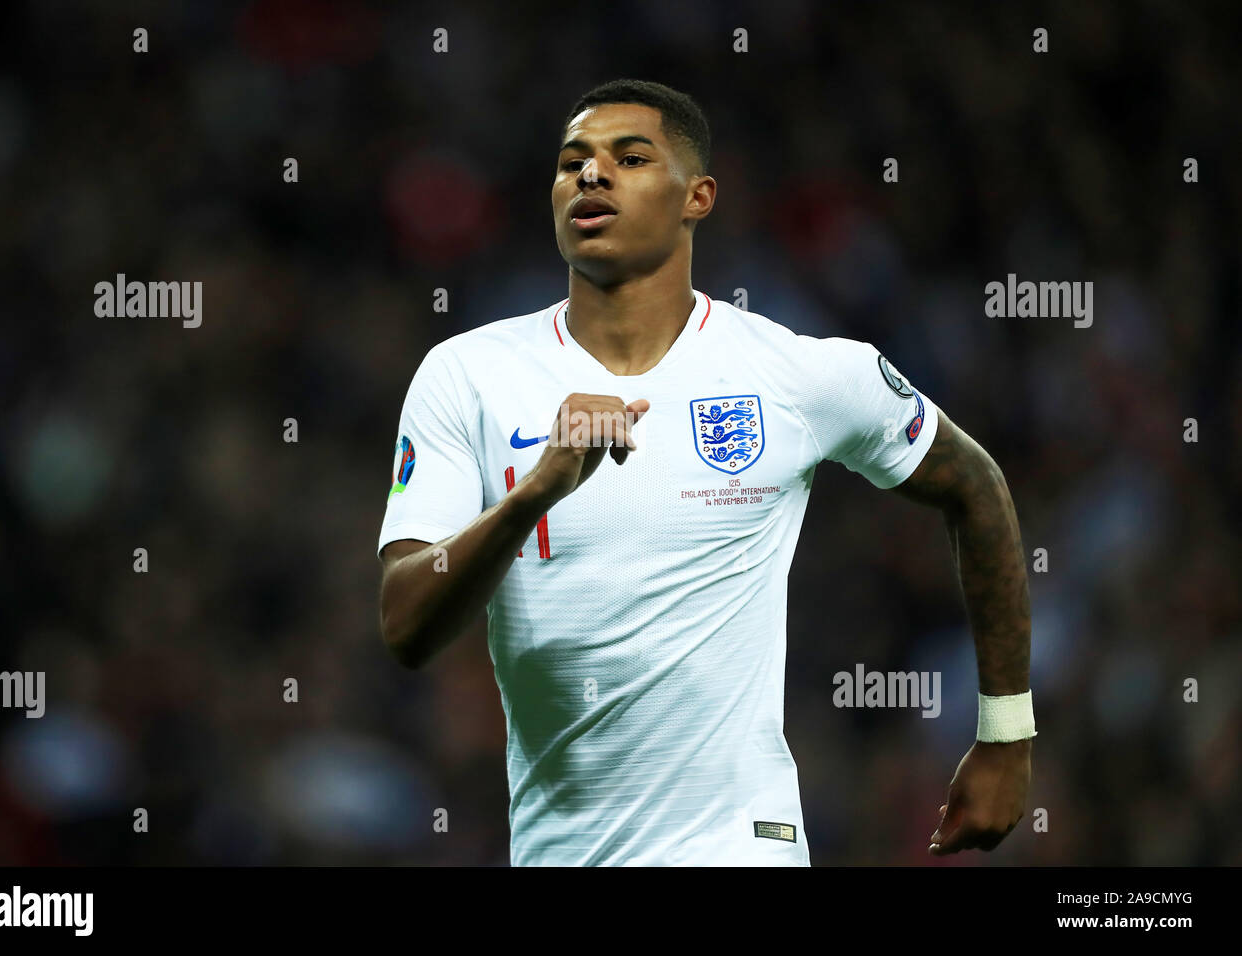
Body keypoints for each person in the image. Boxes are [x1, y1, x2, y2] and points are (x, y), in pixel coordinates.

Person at [378, 78, 1034, 866]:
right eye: (571, 162)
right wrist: (534, 495)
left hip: (739, 845)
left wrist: (1005, 736)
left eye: (629, 157)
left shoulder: (797, 374)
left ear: (698, 196)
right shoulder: (468, 376)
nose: (590, 176)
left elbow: (977, 487)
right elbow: (405, 624)